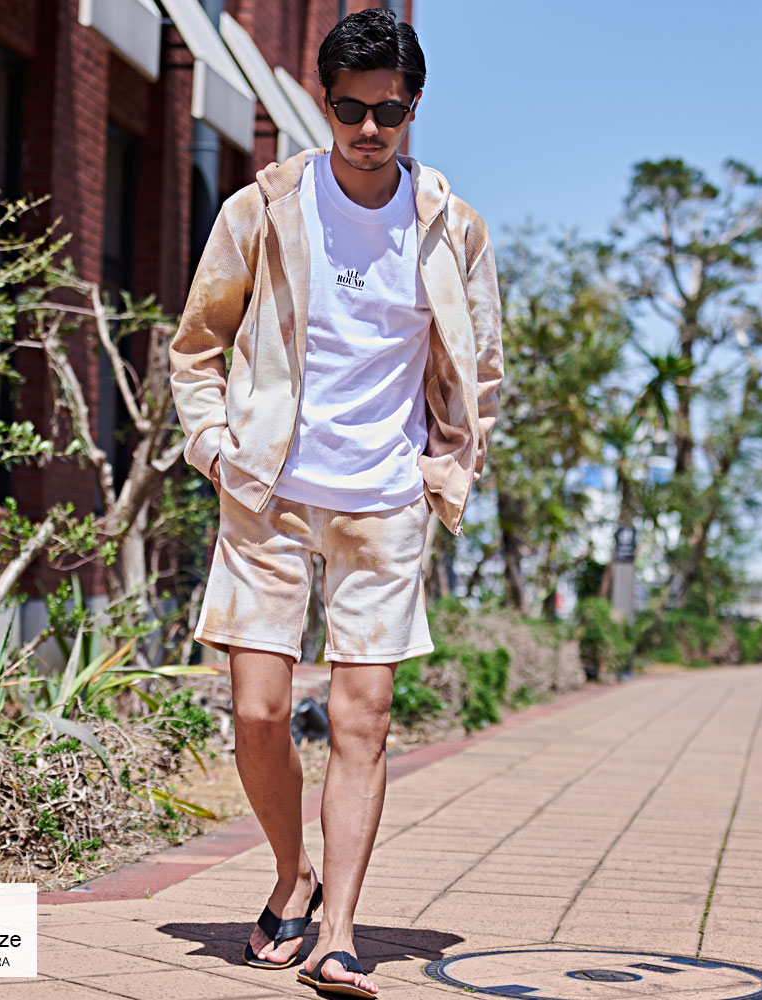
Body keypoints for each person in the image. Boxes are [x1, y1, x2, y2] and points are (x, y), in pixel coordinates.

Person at [169, 8, 503, 996]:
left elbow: (479, 369)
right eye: (351, 109)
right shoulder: (265, 208)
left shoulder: (452, 227)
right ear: (324, 102)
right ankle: (292, 874)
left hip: (384, 504)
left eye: (388, 111)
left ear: (414, 106)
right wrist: (216, 449)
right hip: (267, 493)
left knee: (363, 723)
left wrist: (445, 469)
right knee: (257, 711)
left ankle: (340, 934)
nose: (369, 129)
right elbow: (197, 343)